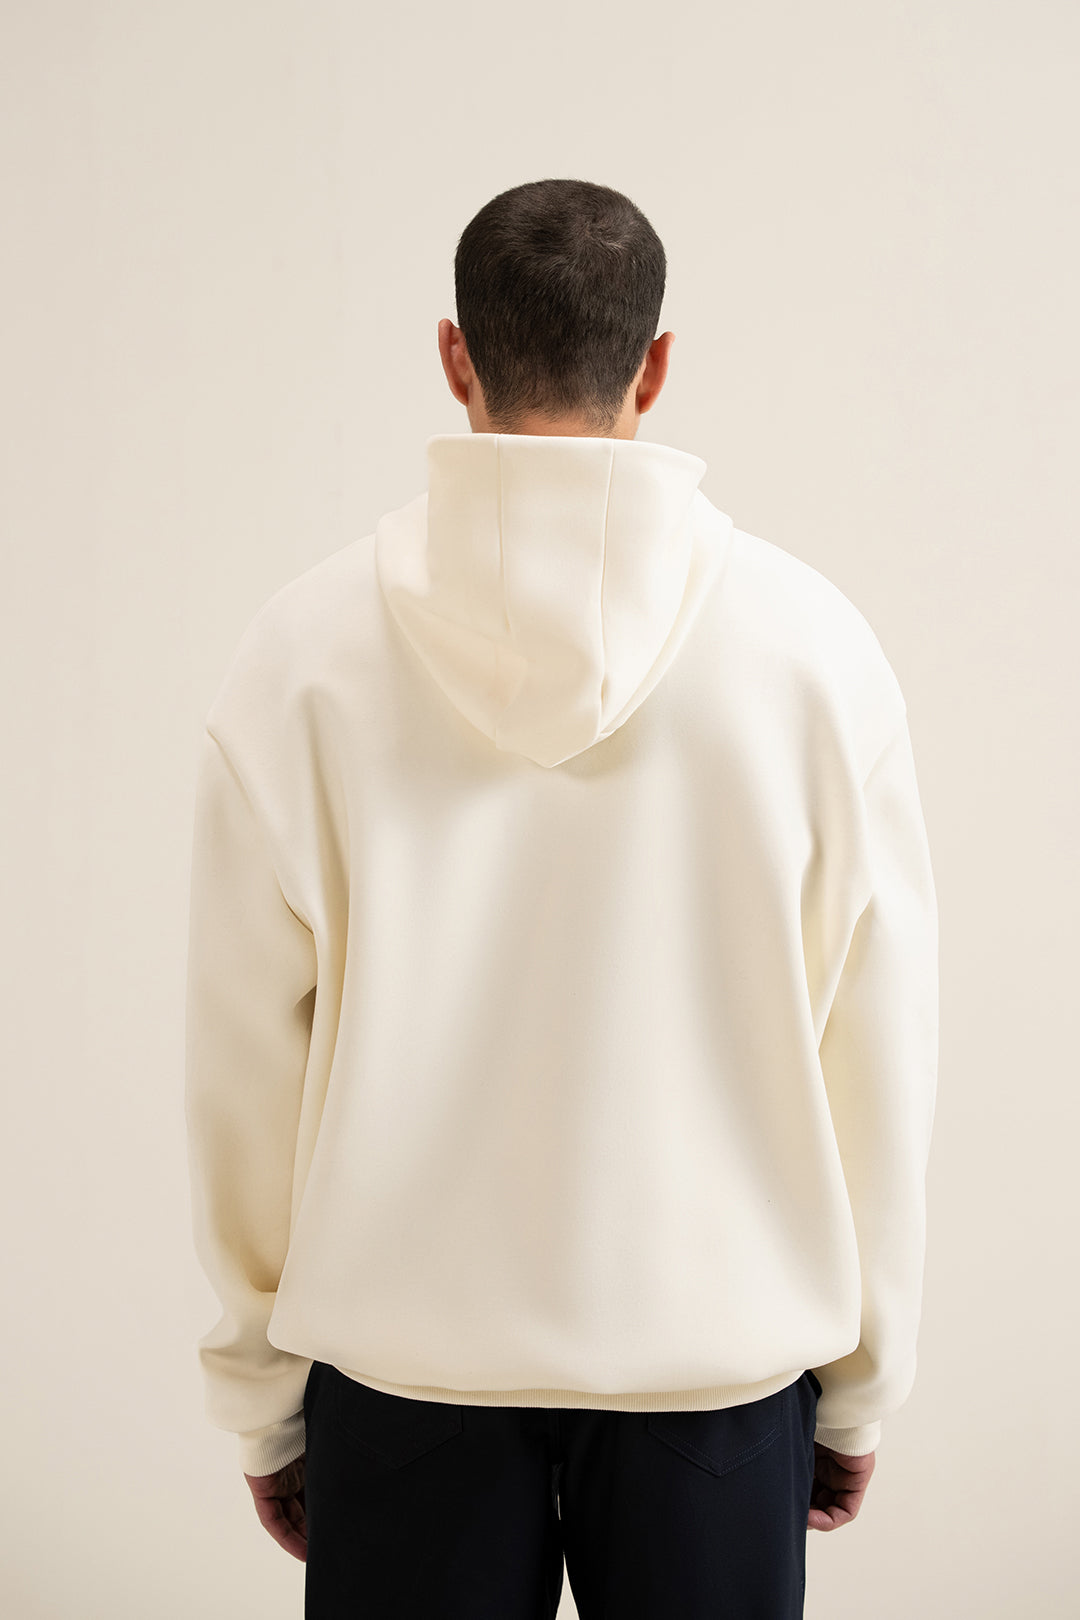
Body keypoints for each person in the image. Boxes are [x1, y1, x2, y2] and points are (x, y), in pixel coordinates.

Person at [184, 177, 938, 1618]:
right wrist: (862, 1381)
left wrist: (261, 1396)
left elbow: (240, 1069)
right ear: (655, 365)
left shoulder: (303, 657)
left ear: (454, 354)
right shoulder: (814, 656)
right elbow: (879, 1051)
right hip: (716, 1373)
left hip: (401, 1374)